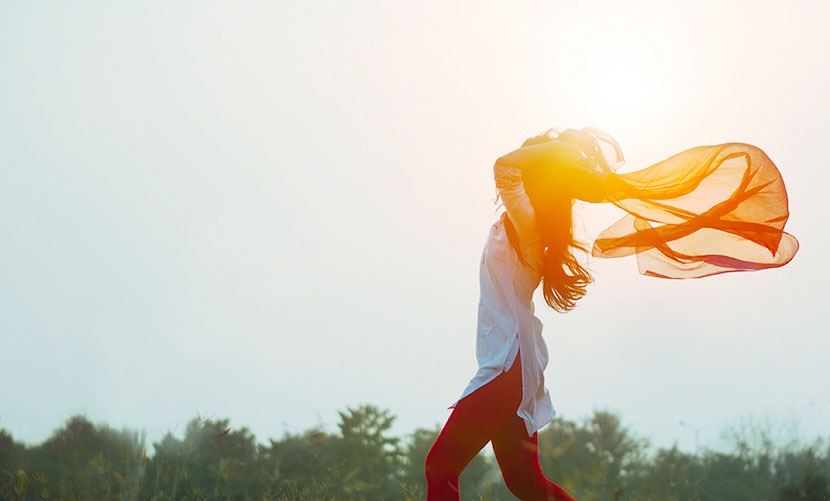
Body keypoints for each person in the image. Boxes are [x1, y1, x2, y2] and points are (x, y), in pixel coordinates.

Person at [423, 127, 798, 500]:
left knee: (441, 467)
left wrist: (557, 150)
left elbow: (505, 166)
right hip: (512, 364)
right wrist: (558, 152)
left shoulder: (528, 222)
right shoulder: (529, 223)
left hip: (508, 364)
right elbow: (513, 168)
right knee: (525, 484)